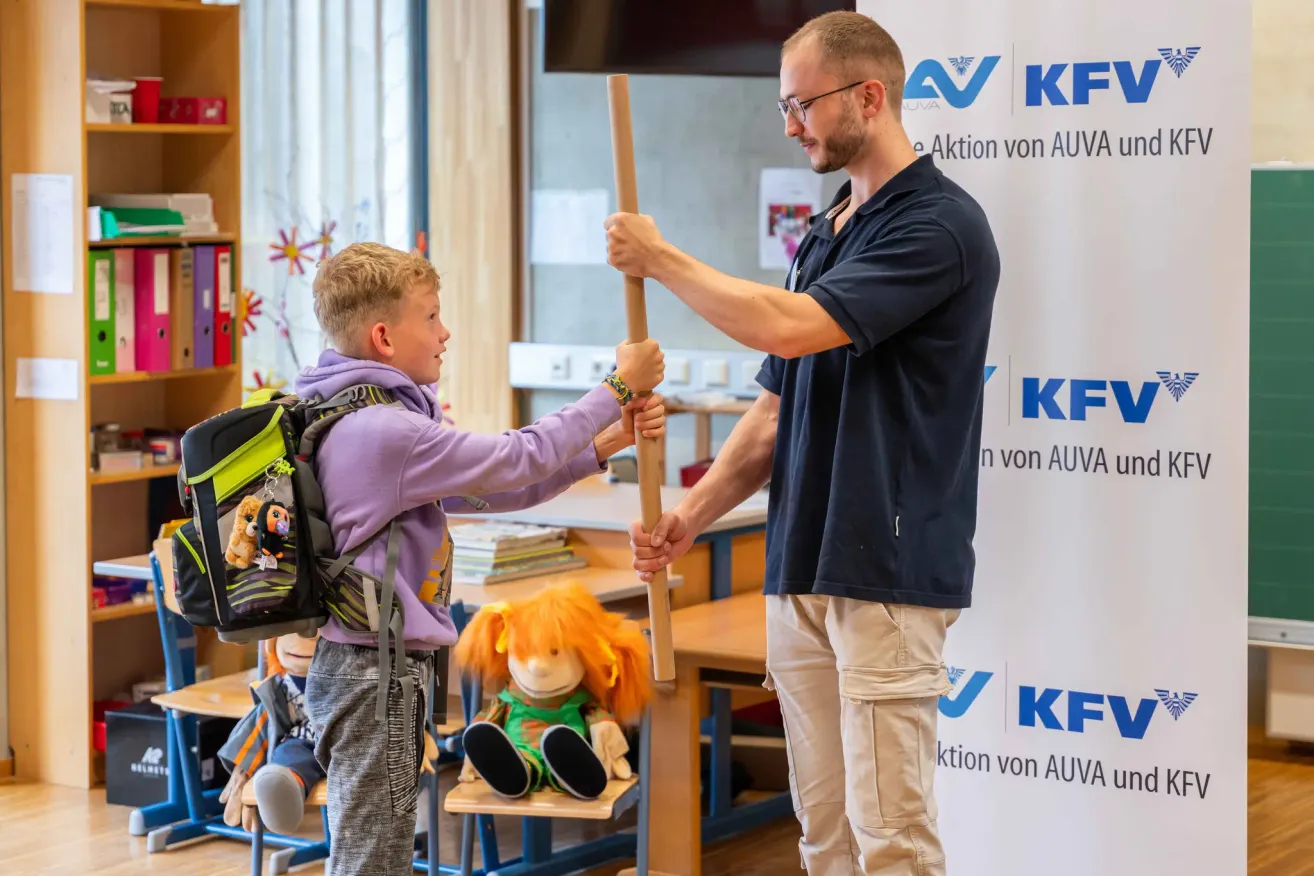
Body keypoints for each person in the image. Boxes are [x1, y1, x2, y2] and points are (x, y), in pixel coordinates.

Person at [605, 11, 999, 876]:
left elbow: (788, 330)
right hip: (804, 568)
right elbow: (777, 409)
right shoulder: (826, 232)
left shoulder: (937, 226)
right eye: (783, 105)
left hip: (886, 577)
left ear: (870, 96)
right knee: (823, 835)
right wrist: (692, 517)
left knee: (891, 839)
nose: (789, 125)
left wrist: (663, 259)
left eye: (802, 105)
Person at [295, 241, 667, 875]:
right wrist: (613, 388)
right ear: (384, 336)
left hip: (369, 668)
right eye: (432, 317)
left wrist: (599, 445)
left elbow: (496, 489)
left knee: (376, 854)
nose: (446, 332)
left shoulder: (359, 414)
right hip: (373, 674)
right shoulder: (386, 431)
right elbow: (512, 457)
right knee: (372, 862)